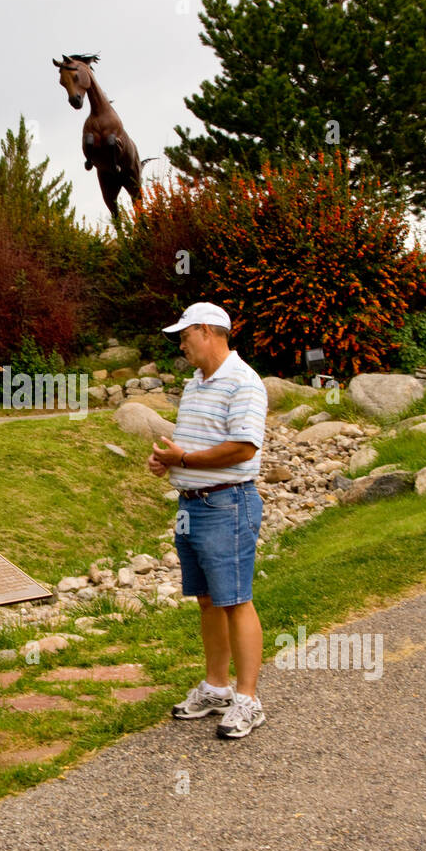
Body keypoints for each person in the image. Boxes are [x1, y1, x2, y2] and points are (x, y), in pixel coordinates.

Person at [147, 302, 268, 739]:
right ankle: (217, 687)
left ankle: (248, 699)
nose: (181, 344)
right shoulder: (196, 384)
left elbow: (243, 448)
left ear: (206, 330)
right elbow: (192, 444)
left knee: (235, 599)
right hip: (192, 504)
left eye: (184, 335)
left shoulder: (244, 382)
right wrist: (169, 462)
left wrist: (185, 458)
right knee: (207, 600)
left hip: (228, 504)